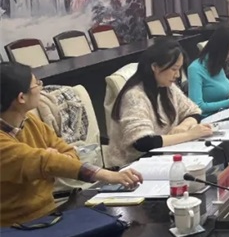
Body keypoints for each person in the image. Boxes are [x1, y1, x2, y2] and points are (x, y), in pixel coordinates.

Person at [1, 62, 143, 225]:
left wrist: (55, 160)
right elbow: (44, 161)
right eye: (37, 84)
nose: (41, 87)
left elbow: (67, 152)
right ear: (21, 97)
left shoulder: (29, 120)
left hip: (49, 214)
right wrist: (108, 175)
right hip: (15, 226)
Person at [108, 40, 215, 166]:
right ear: (155, 67)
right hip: (133, 165)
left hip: (163, 156)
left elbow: (194, 112)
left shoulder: (167, 87)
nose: (177, 75)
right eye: (174, 69)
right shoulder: (135, 96)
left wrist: (183, 127)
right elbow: (143, 142)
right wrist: (189, 135)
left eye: (179, 69)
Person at [187, 25, 229, 116]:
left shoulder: (219, 64)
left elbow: (218, 97)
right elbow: (197, 106)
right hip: (207, 119)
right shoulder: (195, 69)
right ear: (221, 48)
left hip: (223, 114)